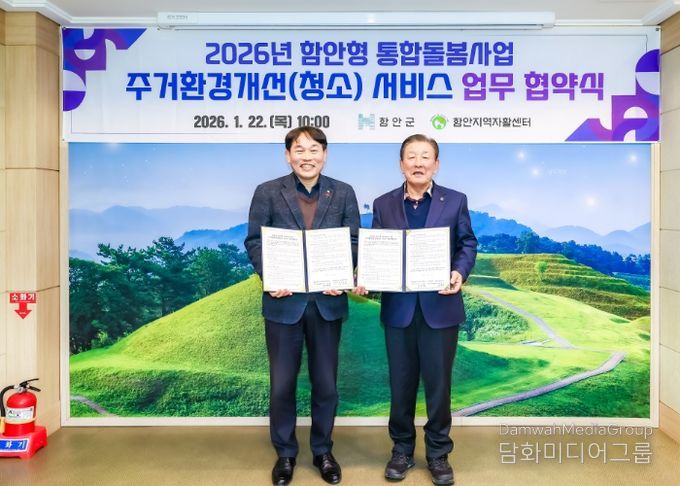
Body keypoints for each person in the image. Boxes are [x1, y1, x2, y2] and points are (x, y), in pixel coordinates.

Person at [357, 134, 477, 485]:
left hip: (440, 307)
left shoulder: (455, 200)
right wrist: (366, 275)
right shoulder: (384, 204)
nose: (418, 163)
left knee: (439, 386)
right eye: (411, 156)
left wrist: (459, 271)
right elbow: (378, 250)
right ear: (401, 164)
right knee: (401, 384)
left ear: (436, 165)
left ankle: (438, 454)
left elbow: (467, 243)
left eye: (426, 156)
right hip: (399, 309)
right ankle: (402, 450)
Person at [244, 126, 360, 486]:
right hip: (284, 303)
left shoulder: (343, 192)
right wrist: (270, 276)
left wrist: (341, 273)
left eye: (313, 150)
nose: (306, 157)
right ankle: (285, 454)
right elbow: (255, 241)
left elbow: (354, 240)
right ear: (287, 155)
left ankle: (323, 451)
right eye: (299, 150)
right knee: (282, 385)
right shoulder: (267, 192)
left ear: (324, 155)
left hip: (327, 302)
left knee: (326, 385)